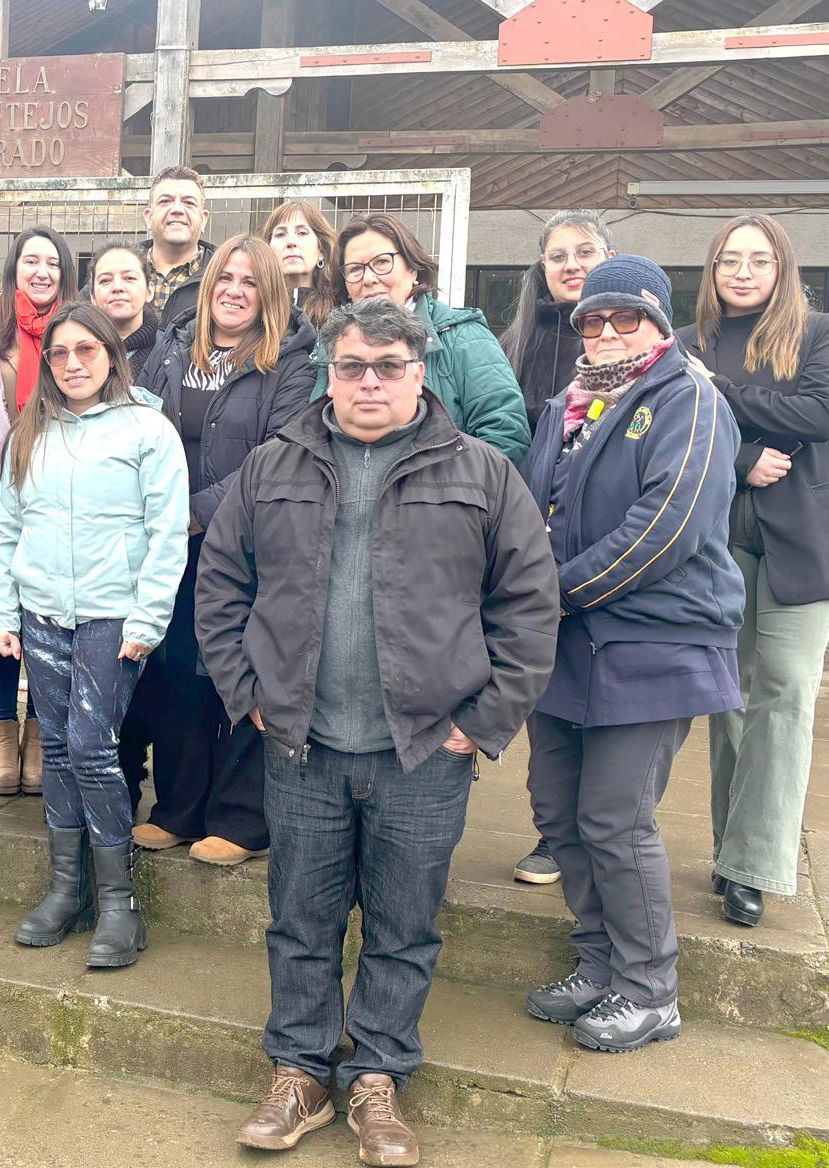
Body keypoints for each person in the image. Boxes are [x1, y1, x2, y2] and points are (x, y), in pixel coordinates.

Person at [197, 297, 558, 1166]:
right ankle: (300, 1072)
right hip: (303, 744)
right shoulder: (271, 465)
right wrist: (248, 692)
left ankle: (378, 1076)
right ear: (329, 374)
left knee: (404, 924)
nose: (369, 382)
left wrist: (483, 722)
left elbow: (530, 604)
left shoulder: (480, 472)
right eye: (352, 366)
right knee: (300, 919)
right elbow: (220, 584)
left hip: (424, 750)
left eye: (388, 367)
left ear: (419, 373)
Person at [521, 256, 743, 1053]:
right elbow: (531, 510)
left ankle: (650, 990)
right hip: (567, 643)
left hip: (655, 642)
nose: (607, 331)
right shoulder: (565, 405)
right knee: (557, 809)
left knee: (615, 817)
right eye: (592, 318)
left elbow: (666, 527)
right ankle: (599, 964)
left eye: (627, 317)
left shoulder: (691, 399)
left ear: (658, 322)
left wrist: (554, 593)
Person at [680, 214, 829, 928]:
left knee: (783, 694)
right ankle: (734, 852)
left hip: (806, 542)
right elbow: (674, 425)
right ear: (712, 269)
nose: (743, 271)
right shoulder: (687, 341)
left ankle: (753, 866)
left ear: (782, 268)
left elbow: (820, 415)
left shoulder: (817, 333)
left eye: (759, 260)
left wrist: (721, 394)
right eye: (730, 259)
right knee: (729, 696)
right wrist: (741, 457)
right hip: (720, 537)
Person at [0, 303, 188, 968]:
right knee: (59, 750)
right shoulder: (30, 432)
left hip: (114, 618)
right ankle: (67, 889)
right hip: (43, 613)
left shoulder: (148, 430)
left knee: (90, 746)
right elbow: (6, 528)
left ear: (111, 354)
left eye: (86, 350)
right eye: (59, 353)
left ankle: (118, 904)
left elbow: (167, 531)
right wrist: (4, 613)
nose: (72, 363)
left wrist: (148, 618)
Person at [131, 235, 317, 866]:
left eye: (250, 282)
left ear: (270, 294)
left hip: (246, 544)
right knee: (176, 671)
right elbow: (138, 423)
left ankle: (242, 818)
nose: (235, 291)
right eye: (226, 279)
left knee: (236, 670)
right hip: (170, 542)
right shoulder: (173, 347)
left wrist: (196, 512)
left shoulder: (292, 360)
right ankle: (179, 807)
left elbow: (281, 452)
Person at [499, 210, 615, 887]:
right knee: (543, 693)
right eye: (557, 256)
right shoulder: (513, 341)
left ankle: (601, 830)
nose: (571, 265)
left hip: (603, 547)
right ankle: (553, 833)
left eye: (585, 252)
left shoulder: (631, 348)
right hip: (528, 535)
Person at [311, 212, 530, 465]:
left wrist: (442, 486)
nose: (369, 278)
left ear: (413, 269)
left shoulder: (463, 337)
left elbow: (505, 434)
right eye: (355, 269)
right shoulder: (332, 344)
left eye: (381, 262)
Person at [0, 227, 80, 796]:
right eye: (30, 261)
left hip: (57, 483)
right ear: (14, 268)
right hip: (1, 480)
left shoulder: (76, 332)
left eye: (52, 262)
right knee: (4, 605)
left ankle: (39, 732)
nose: (41, 272)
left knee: (49, 612)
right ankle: (3, 734)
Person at [136, 165, 216, 328]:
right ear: (148, 217)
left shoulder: (223, 275)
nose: (177, 209)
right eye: (165, 201)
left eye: (189, 203)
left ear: (204, 219)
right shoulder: (116, 269)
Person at [88, 240, 161, 378]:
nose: (117, 287)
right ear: (92, 296)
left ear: (149, 291)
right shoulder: (78, 351)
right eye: (105, 280)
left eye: (129, 278)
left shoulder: (170, 352)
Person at [260, 200, 337, 328]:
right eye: (280, 234)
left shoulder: (339, 312)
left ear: (322, 251)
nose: (291, 242)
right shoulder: (255, 309)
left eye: (302, 233)